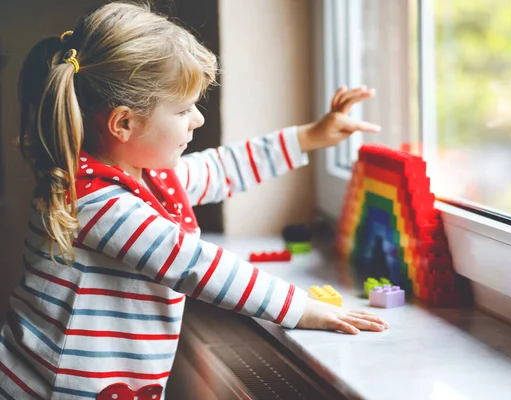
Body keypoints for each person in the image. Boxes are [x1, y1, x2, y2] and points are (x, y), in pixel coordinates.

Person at [0, 2, 387, 399]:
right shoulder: (96, 202)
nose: (198, 120)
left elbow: (221, 168)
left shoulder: (141, 175)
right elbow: (196, 264)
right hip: (49, 389)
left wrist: (310, 137)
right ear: (124, 123)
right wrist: (302, 308)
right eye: (184, 109)